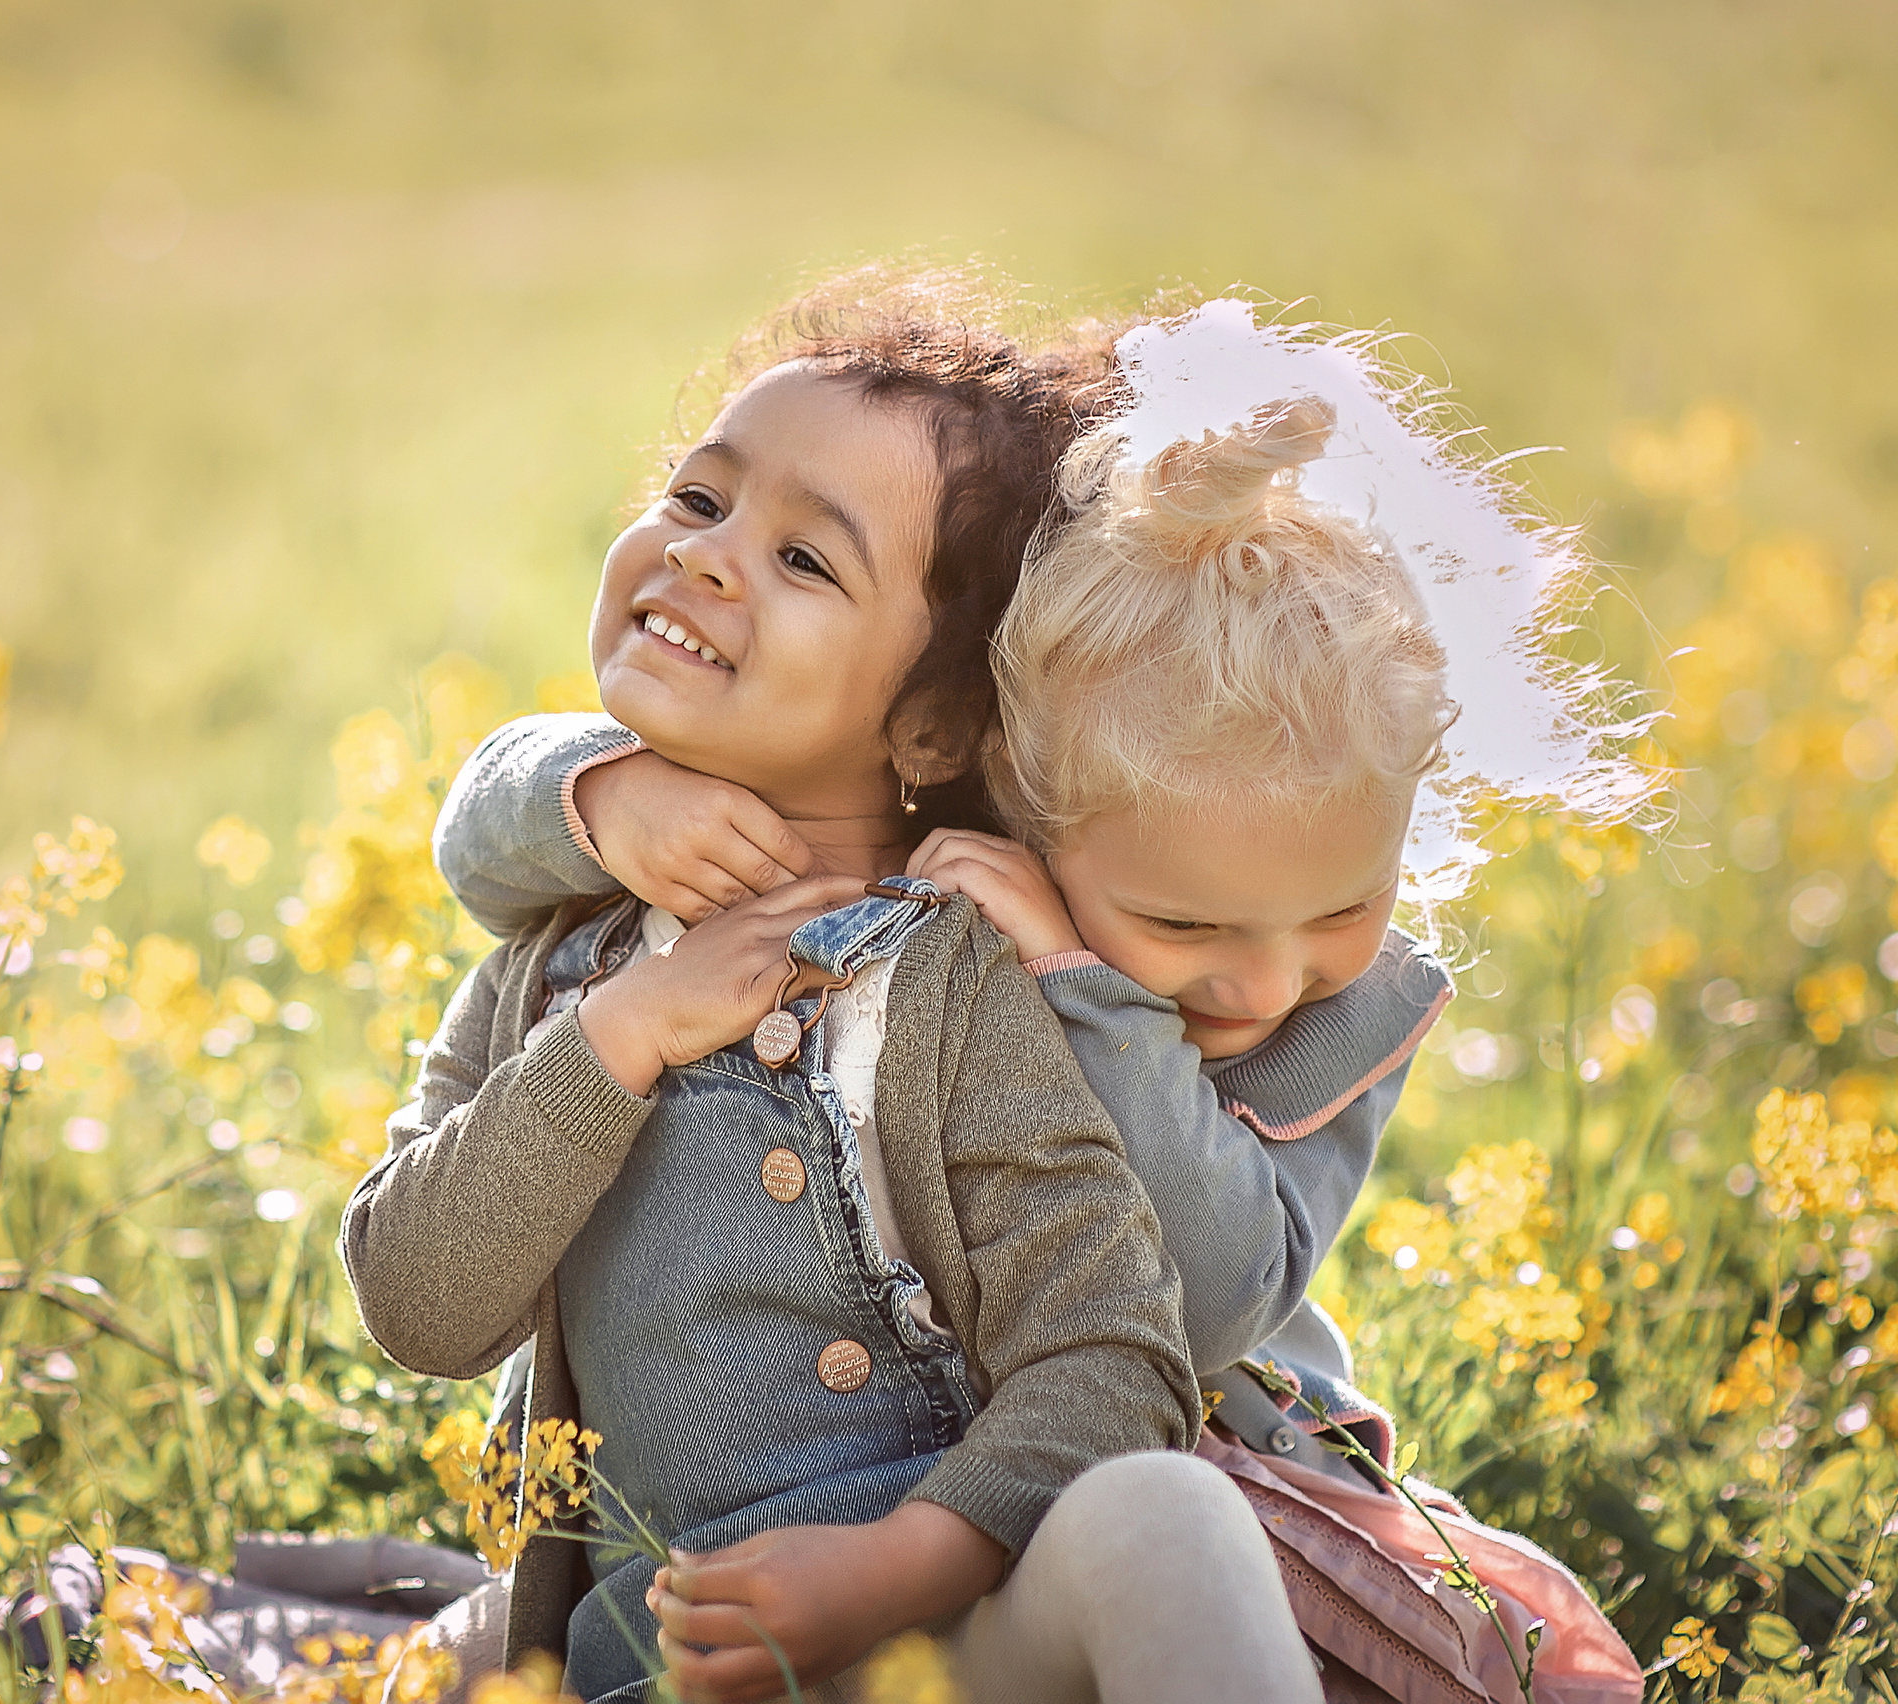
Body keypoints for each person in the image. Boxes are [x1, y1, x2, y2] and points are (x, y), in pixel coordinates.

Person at [428, 298, 1647, 1701]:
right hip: (837, 1596)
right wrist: (599, 788)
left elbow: (1194, 1303)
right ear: (1015, 811)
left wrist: (1100, 991)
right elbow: (483, 844)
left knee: (1162, 1525)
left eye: (1343, 910)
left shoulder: (1296, 1013)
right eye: (1181, 923)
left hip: (1222, 1522)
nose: (1265, 978)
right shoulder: (928, 901)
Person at [343, 271, 1328, 1704]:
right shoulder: (558, 966)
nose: (712, 557)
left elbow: (1111, 1358)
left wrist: (905, 1563)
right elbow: (414, 1303)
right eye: (697, 502)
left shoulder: (961, 979)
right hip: (657, 1666)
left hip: (952, 1642)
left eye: (808, 562)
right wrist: (622, 1033)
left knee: (1167, 1523)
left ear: (931, 722)